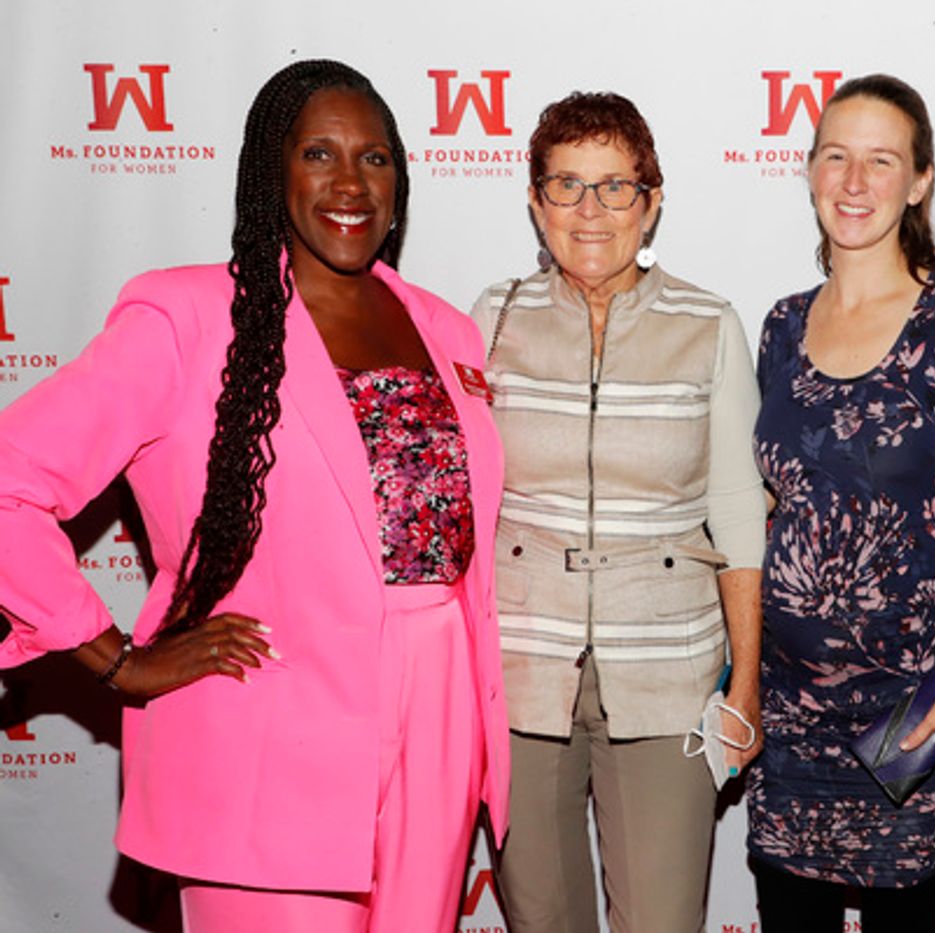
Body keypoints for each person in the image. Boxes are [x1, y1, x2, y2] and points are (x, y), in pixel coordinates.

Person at [0, 60, 509, 933]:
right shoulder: (188, 317)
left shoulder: (448, 328)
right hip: (268, 728)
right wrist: (118, 657)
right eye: (319, 153)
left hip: (440, 721)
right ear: (271, 172)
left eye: (376, 158)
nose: (351, 182)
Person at [469, 91, 766, 933]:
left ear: (652, 201)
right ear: (535, 201)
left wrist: (745, 679)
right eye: (566, 184)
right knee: (542, 918)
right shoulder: (490, 321)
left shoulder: (708, 325)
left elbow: (740, 513)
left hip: (669, 672)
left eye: (614, 186)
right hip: (522, 670)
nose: (590, 210)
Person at [746, 74, 935, 933]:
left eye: (881, 160)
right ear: (810, 170)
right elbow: (766, 505)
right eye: (836, 156)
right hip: (790, 721)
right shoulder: (782, 326)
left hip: (913, 721)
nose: (855, 181)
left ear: (920, 181)